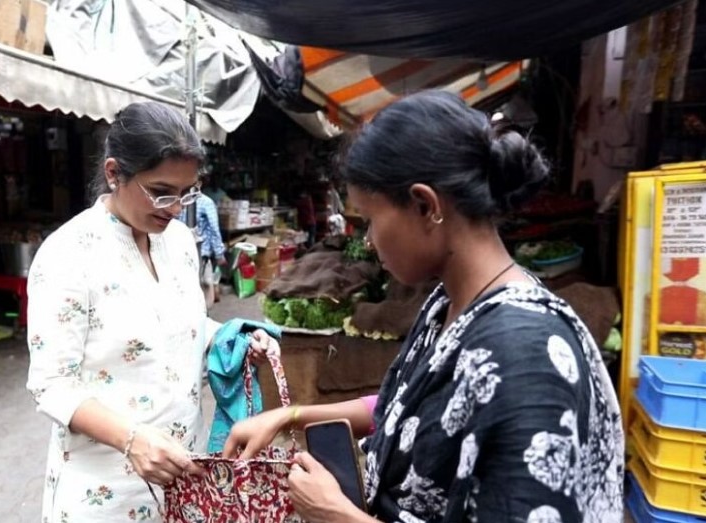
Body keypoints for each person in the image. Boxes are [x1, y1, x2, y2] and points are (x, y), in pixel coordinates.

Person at [222, 91, 624, 522]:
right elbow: (403, 410)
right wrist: (289, 417)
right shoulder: (448, 302)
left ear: (425, 205)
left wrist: (337, 515)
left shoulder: (524, 356)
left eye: (371, 220)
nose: (368, 242)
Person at [26, 101, 276, 522]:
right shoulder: (67, 255)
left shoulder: (177, 240)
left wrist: (229, 337)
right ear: (113, 173)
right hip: (105, 491)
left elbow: (181, 324)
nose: (175, 207)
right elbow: (51, 383)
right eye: (161, 191)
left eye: (186, 192)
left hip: (183, 472)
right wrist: (132, 440)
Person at [178, 188, 226, 308]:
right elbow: (214, 229)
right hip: (200, 251)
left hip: (182, 249)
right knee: (201, 285)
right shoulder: (206, 202)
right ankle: (202, 314)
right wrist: (219, 253)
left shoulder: (180, 201)